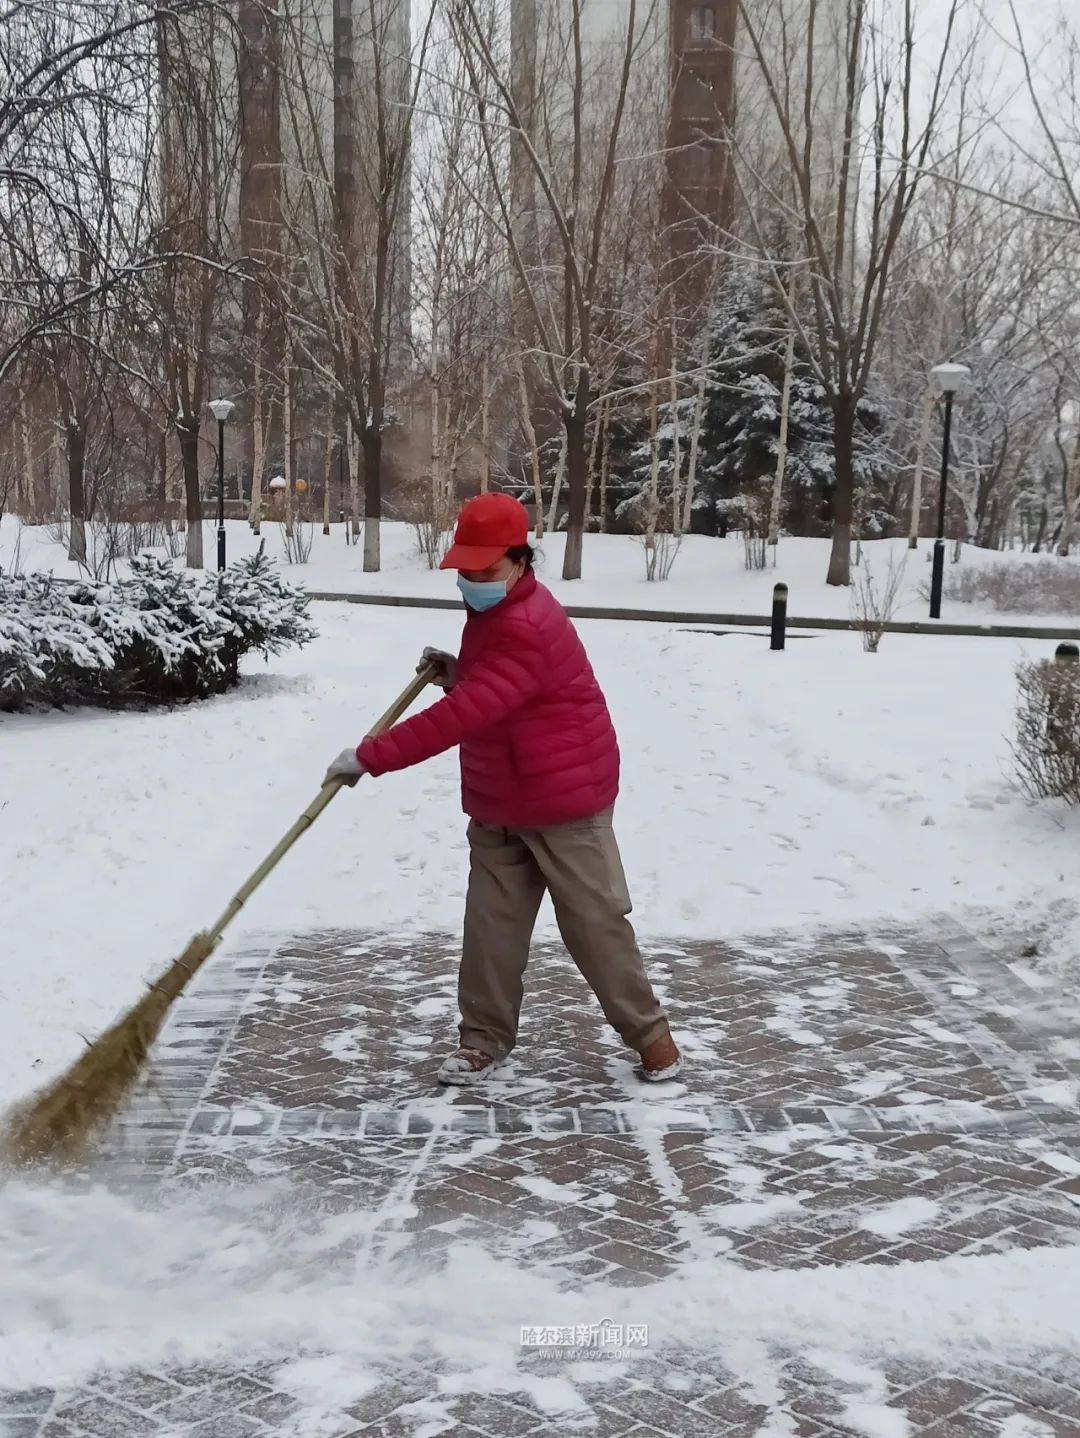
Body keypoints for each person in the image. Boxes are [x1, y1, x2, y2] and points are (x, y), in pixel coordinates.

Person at [324, 492, 681, 1086]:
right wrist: (458, 671)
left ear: (520, 560)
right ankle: (482, 1041)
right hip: (501, 798)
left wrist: (371, 756)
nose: (470, 579)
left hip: (565, 798)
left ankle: (653, 1039)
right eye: (464, 568)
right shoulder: (494, 612)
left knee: (595, 925)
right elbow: (495, 694)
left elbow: (465, 715)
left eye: (484, 569)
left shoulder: (529, 624)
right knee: (490, 928)